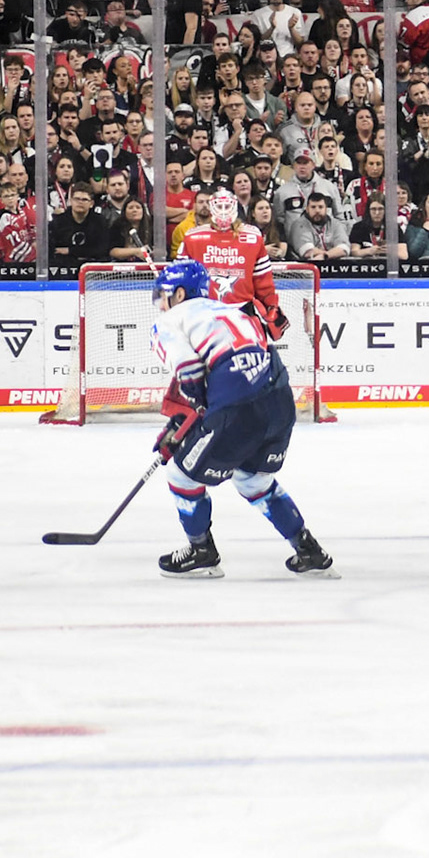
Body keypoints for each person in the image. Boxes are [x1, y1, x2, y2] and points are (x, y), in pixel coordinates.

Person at [147, 259, 334, 579]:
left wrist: (189, 426)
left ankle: (201, 550)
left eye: (163, 294)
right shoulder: (231, 309)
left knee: (181, 475)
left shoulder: (169, 321)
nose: (160, 303)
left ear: (179, 294)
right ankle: (309, 550)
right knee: (253, 479)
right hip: (280, 401)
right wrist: (187, 421)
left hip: (238, 409)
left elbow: (191, 376)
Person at [180, 188, 290, 338]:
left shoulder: (252, 237)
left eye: (227, 206)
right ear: (212, 208)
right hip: (205, 315)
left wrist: (271, 305)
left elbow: (263, 280)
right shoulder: (193, 237)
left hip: (242, 313)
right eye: (219, 206)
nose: (223, 211)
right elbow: (182, 278)